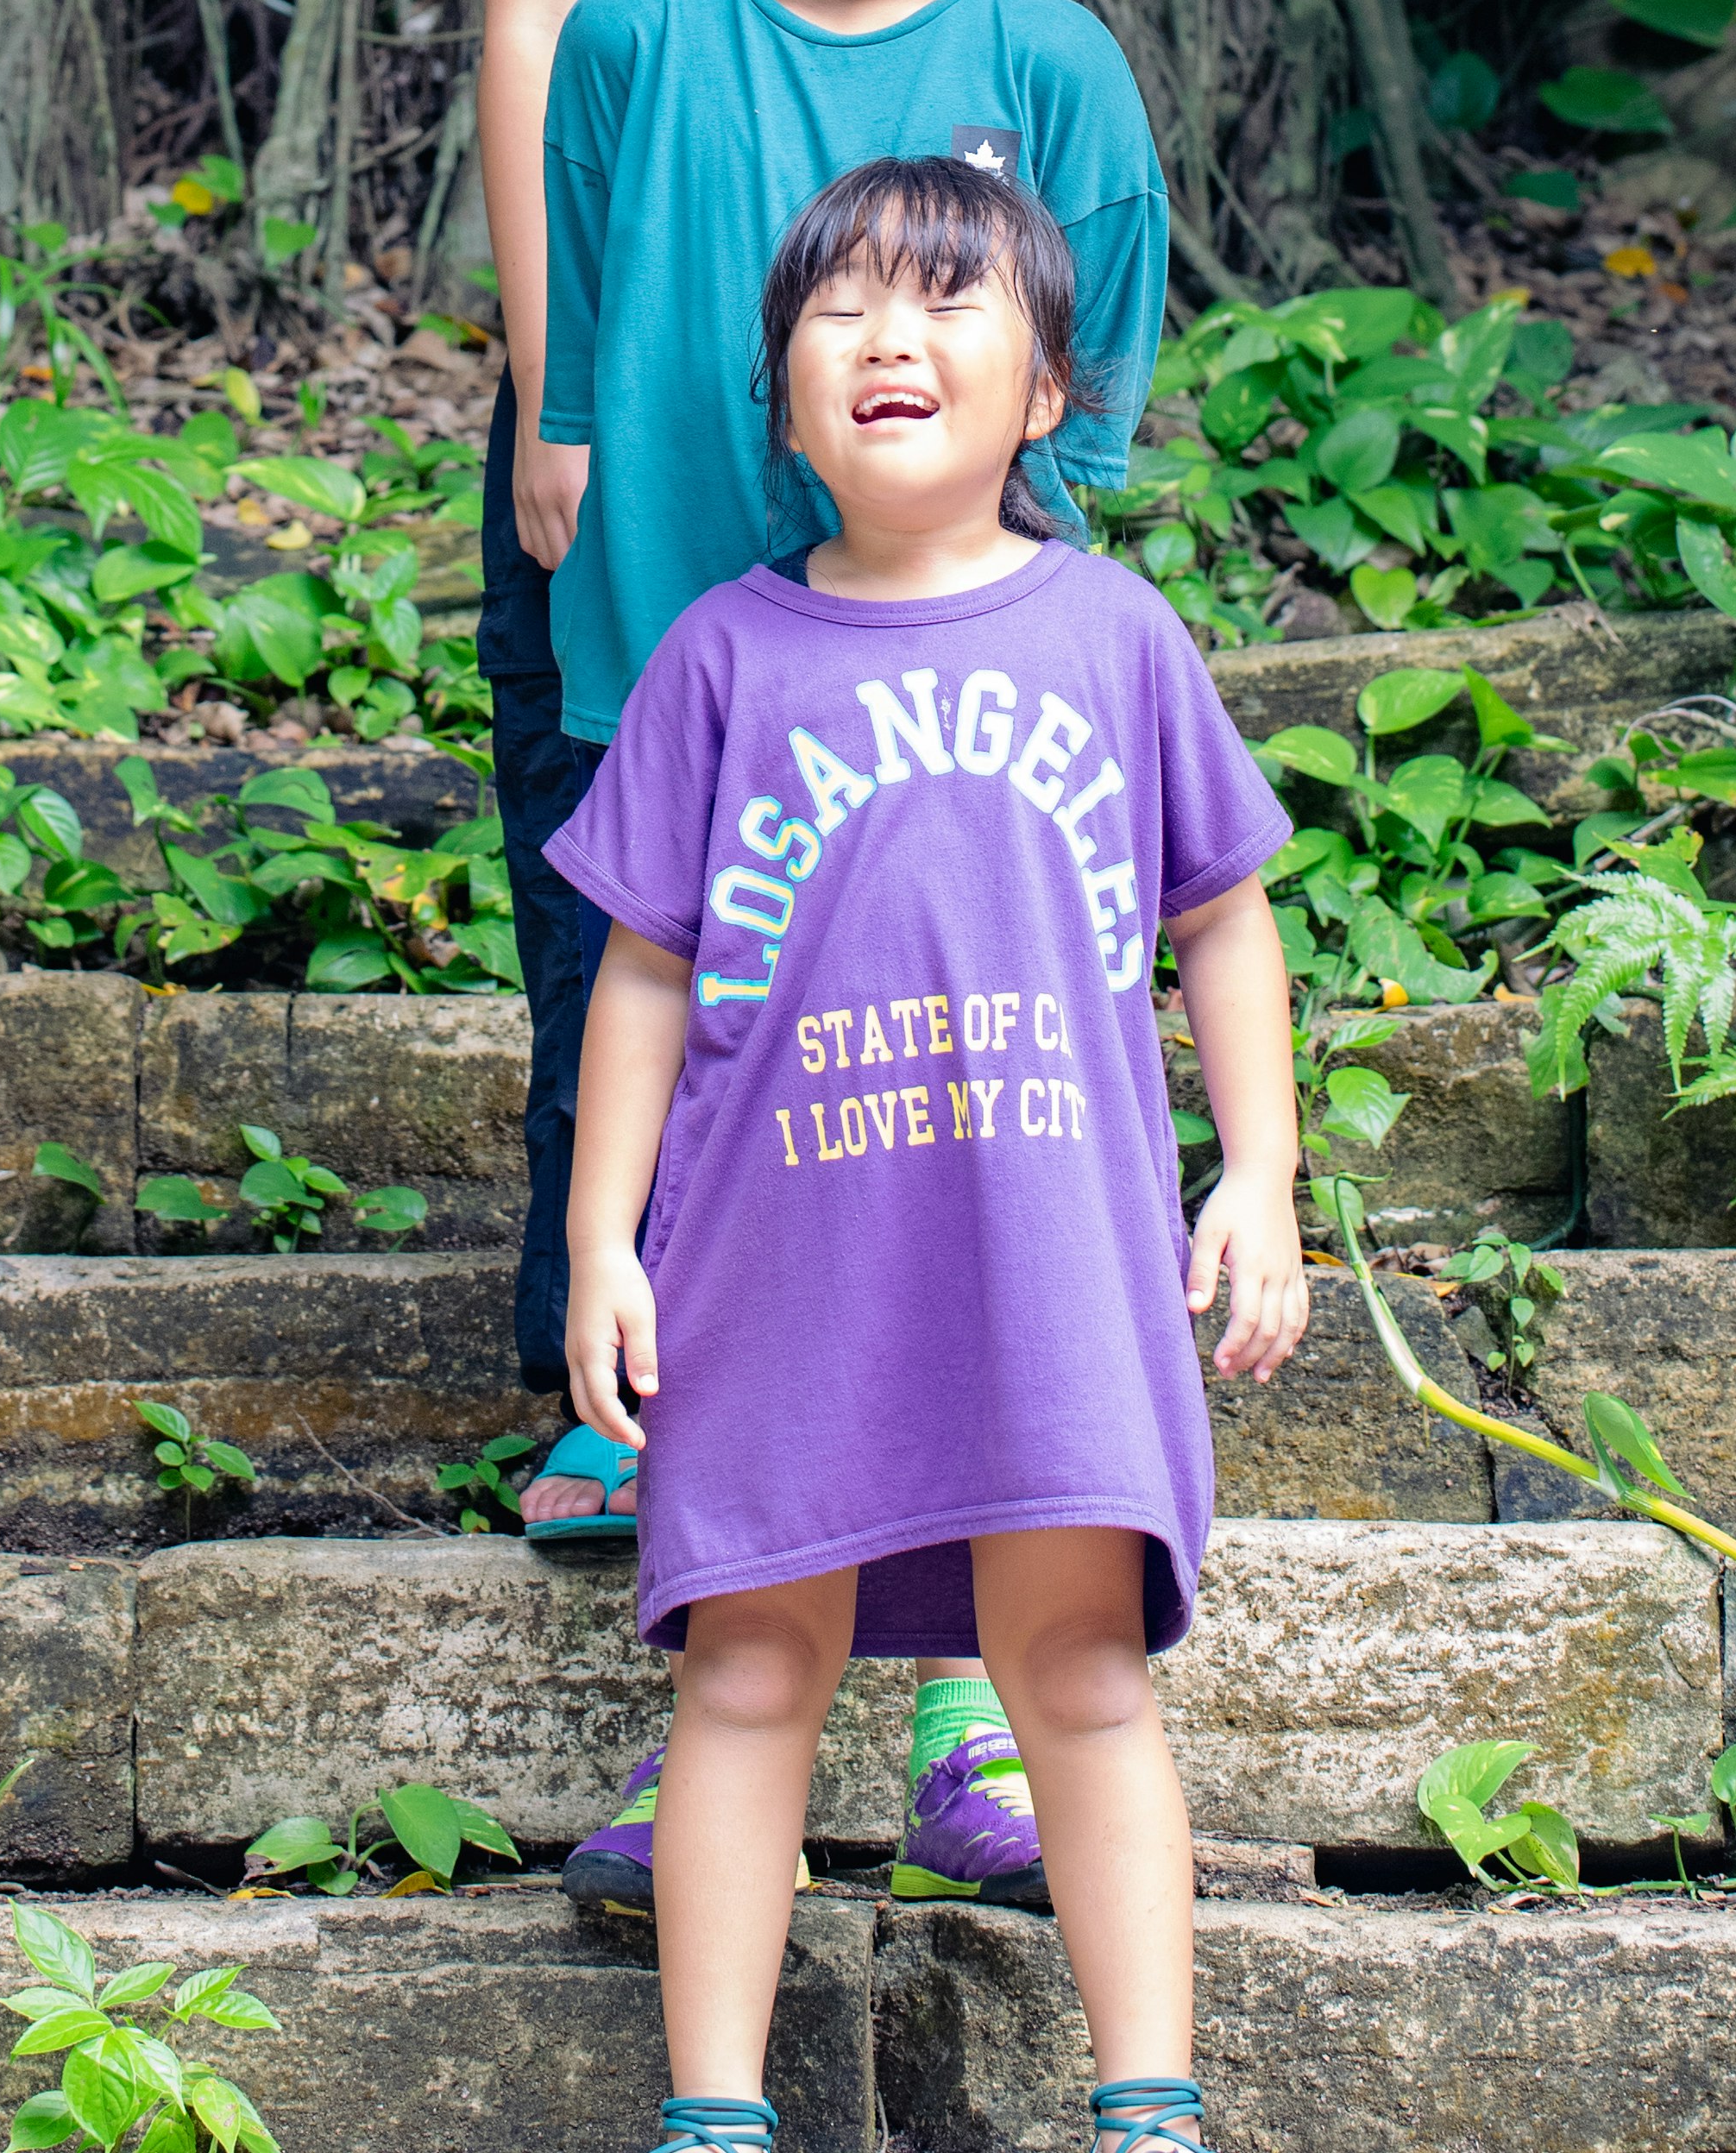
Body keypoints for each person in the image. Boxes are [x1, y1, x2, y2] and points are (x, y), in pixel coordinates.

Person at [422, 0, 1216, 1394]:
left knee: (922, 861)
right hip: (659, 365)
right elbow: (533, 24)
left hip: (936, 391)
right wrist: (552, 381)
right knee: (635, 865)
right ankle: (609, 1368)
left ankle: (926, 1345)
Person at [525, 0, 1177, 1918]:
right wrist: (570, 442)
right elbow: (588, 307)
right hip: (697, 683)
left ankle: (973, 1718)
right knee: (725, 1202)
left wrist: (1023, 588)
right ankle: (729, 1731)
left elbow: (1093, 390)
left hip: (962, 750)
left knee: (964, 1201)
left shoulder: (1048, 75)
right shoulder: (637, 32)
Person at [546, 158, 1306, 2153]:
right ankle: (714, 2114)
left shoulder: (1116, 634)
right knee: (743, 1671)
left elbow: (1225, 911)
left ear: (1047, 392)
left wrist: (1260, 1180)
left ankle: (1150, 2105)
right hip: (778, 1270)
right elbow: (641, 969)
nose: (894, 336)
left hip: (1047, 1258)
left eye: (951, 299)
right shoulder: (724, 655)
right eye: (845, 308)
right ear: (783, 397)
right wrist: (600, 1246)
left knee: (1080, 1665)